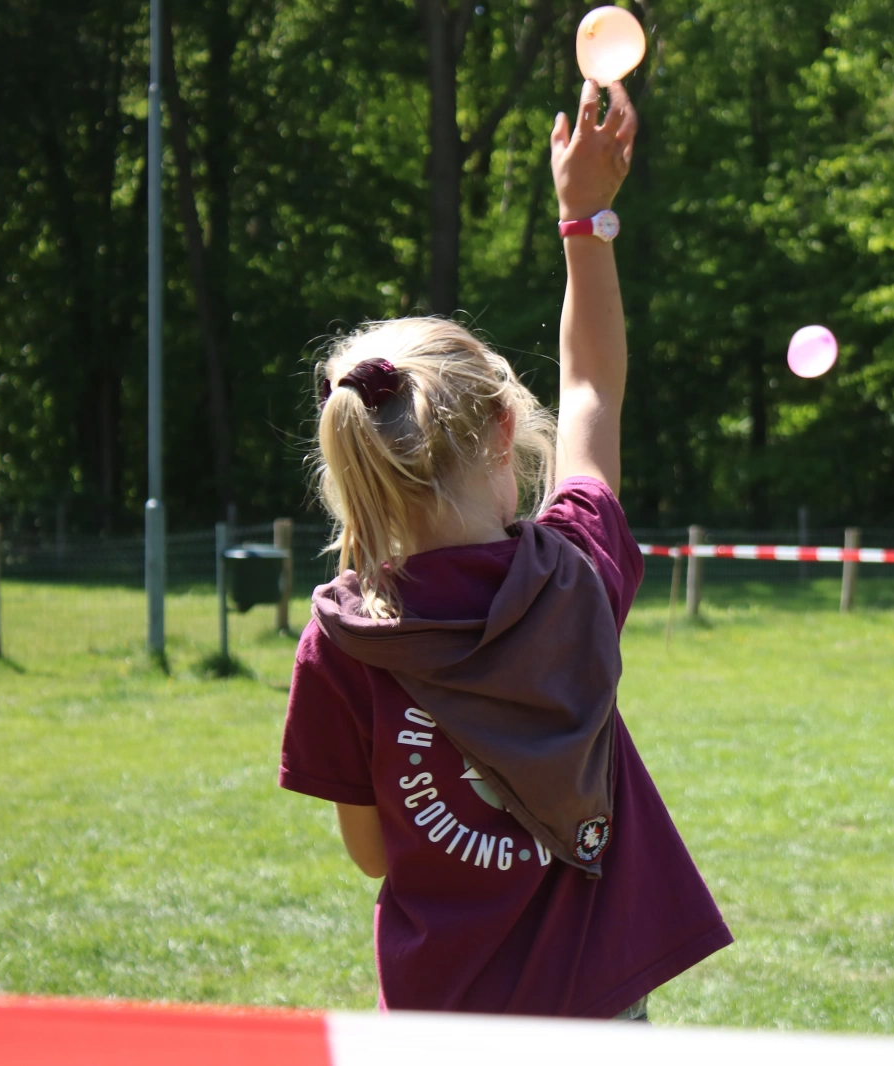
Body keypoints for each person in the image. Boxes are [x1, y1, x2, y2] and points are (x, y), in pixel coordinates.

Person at [277, 79, 731, 1019]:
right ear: (499, 430)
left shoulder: (341, 640)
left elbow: (371, 852)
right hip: (593, 1013)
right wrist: (586, 215)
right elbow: (594, 383)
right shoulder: (573, 573)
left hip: (443, 1018)